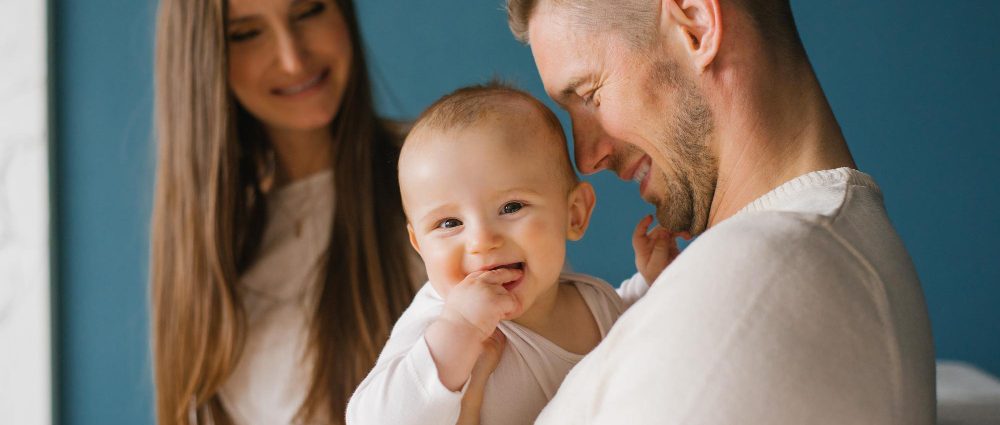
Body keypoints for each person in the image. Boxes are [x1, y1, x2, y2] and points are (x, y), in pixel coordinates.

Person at [505, 0, 936, 423]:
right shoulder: (832, 243)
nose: (586, 158)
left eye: (589, 94)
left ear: (696, 26)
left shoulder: (756, 278)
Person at [150, 0, 420, 423]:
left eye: (308, 11)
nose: (293, 60)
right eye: (246, 34)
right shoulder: (211, 252)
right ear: (204, 58)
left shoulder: (442, 179)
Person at [345, 83, 677, 425]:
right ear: (420, 246)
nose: (481, 240)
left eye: (511, 206)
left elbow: (633, 335)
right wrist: (459, 330)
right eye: (449, 222)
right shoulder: (439, 326)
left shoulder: (597, 301)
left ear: (574, 214)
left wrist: (654, 284)